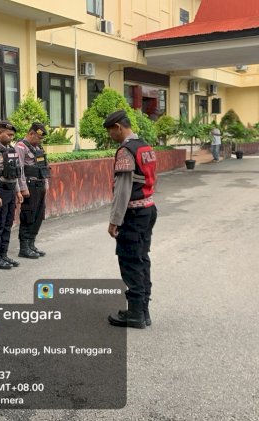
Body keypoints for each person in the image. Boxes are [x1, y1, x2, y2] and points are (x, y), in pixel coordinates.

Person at [103, 110, 158, 329]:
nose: (110, 136)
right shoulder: (145, 146)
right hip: (148, 209)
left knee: (130, 262)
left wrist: (114, 220)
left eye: (110, 131)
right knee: (142, 259)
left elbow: (123, 190)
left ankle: (135, 315)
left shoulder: (126, 151)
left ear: (118, 127)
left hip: (133, 215)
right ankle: (143, 310)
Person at [0, 121, 23, 270]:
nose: (11, 137)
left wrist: (18, 191)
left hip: (11, 190)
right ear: (0, 132)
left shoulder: (11, 150)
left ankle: (4, 254)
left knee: (8, 224)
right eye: (8, 134)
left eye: (12, 135)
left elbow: (15, 173)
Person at [16, 122, 50, 259]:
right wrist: (23, 188)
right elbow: (19, 169)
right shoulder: (20, 147)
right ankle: (24, 247)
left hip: (40, 185)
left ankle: (31, 244)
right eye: (38, 138)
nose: (40, 141)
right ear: (31, 134)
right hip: (29, 186)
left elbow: (43, 166)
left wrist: (46, 182)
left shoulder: (38, 148)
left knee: (38, 215)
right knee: (28, 215)